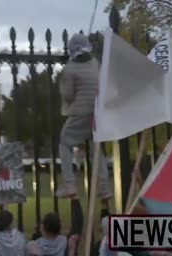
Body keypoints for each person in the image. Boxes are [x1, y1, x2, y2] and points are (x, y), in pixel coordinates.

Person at [56, 32, 111, 199]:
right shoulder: (95, 63)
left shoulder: (70, 69)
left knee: (64, 143)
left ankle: (70, 184)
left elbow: (68, 95)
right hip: (97, 113)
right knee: (97, 150)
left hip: (80, 112)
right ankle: (104, 189)